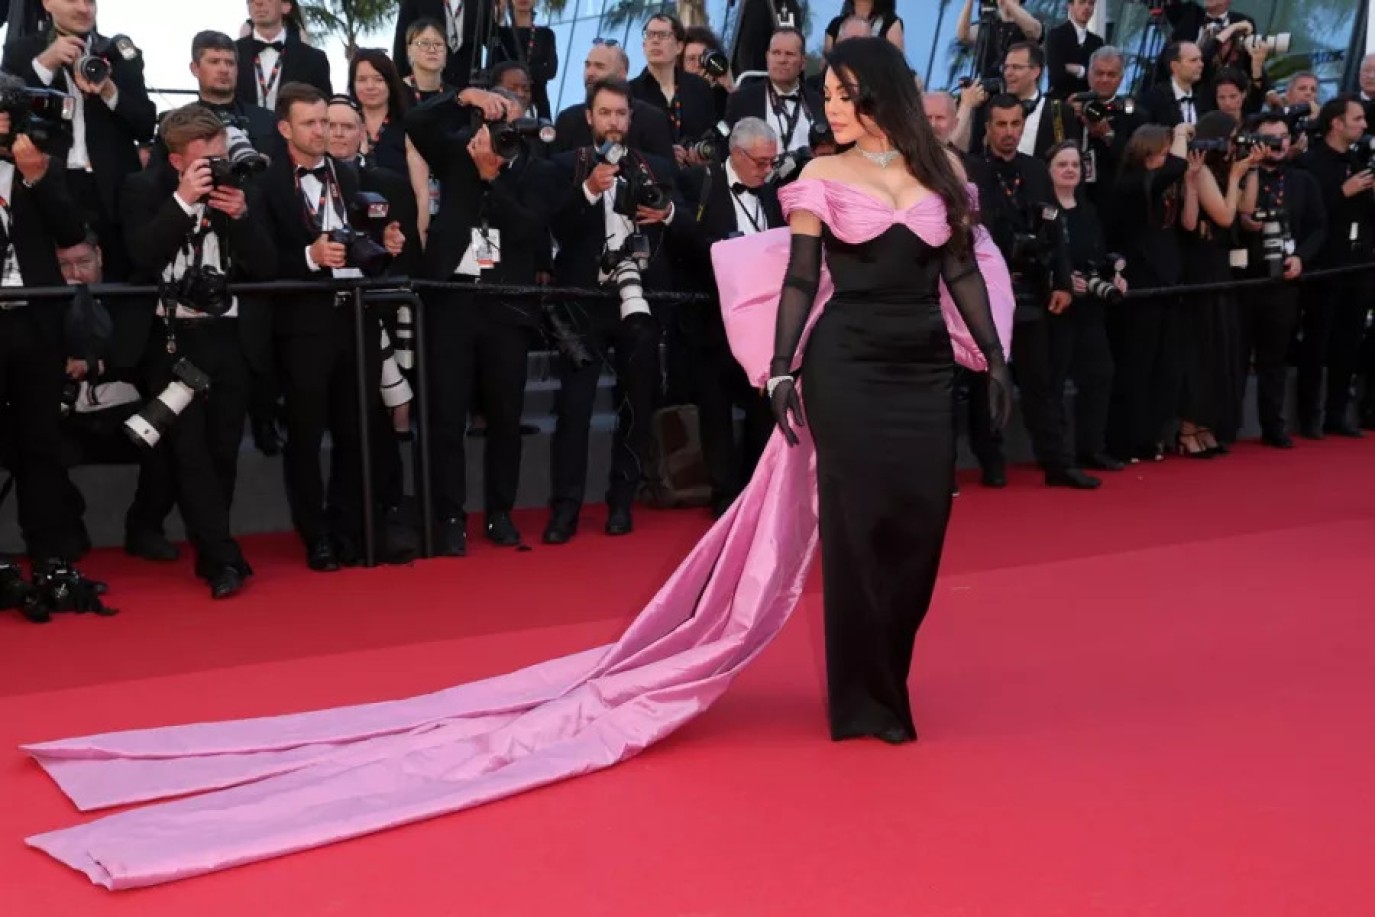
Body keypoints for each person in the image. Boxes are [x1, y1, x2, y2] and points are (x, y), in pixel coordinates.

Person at [18, 40, 1015, 886]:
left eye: (843, 94)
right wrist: (784, 365)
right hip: (843, 370)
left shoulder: (942, 179)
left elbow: (962, 273)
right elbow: (798, 281)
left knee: (918, 524)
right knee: (855, 530)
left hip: (923, 371)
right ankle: (869, 696)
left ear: (878, 95)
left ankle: (884, 669)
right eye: (825, 94)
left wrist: (996, 362)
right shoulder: (821, 179)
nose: (830, 107)